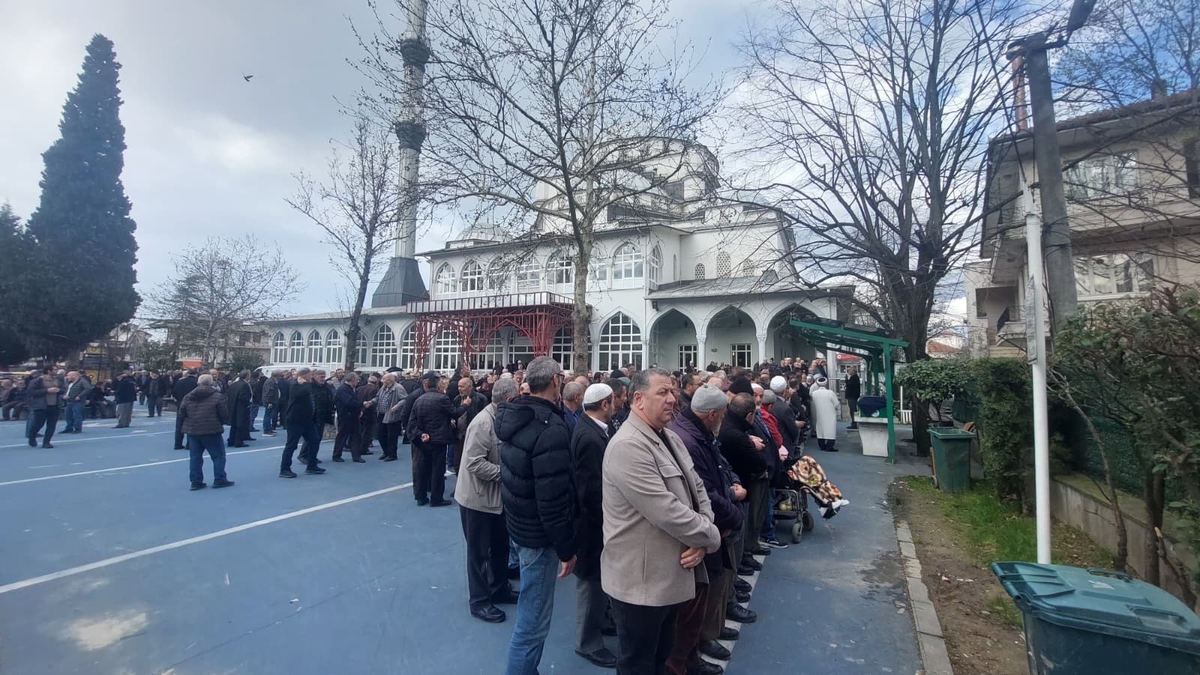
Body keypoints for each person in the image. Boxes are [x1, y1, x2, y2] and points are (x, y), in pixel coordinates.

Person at [602, 368, 721, 675]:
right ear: (638, 399)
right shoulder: (627, 446)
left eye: (673, 391)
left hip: (668, 577)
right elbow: (666, 510)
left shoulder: (668, 436)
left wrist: (702, 536)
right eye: (663, 393)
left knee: (661, 658)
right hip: (640, 584)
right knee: (638, 663)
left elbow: (697, 489)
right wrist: (710, 536)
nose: (673, 399)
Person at [496, 356, 578, 675]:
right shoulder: (549, 427)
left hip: (520, 525)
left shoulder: (516, 414)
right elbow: (552, 498)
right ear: (556, 381)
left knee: (531, 617)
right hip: (538, 537)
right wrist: (567, 548)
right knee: (532, 624)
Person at [667, 384, 744, 675]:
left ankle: (692, 655)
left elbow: (717, 471)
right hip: (701, 529)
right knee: (692, 605)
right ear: (711, 414)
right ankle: (685, 659)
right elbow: (701, 492)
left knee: (702, 596)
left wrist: (731, 487)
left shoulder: (696, 433)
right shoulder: (688, 438)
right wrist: (733, 514)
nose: (669, 401)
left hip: (710, 524)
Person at [456, 377, 521, 623]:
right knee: (478, 552)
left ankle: (499, 587)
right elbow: (473, 462)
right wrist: (504, 474)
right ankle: (479, 601)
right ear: (506, 400)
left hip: (495, 499)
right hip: (477, 499)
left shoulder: (499, 419)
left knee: (500, 546)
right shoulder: (483, 423)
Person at [570, 382, 619, 669]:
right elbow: (590, 490)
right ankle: (587, 642)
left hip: (596, 521)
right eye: (612, 401)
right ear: (604, 404)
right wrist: (607, 521)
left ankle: (599, 623)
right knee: (590, 583)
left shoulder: (593, 430)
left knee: (598, 580)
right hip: (591, 525)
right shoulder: (589, 437)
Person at [408, 371, 465, 505]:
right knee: (438, 470)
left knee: (422, 469)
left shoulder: (419, 399)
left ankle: (420, 497)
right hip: (438, 440)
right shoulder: (442, 398)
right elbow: (455, 413)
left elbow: (412, 422)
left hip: (423, 440)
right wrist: (466, 405)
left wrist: (420, 433)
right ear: (439, 386)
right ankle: (436, 498)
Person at [178, 374, 234, 491]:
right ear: (212, 383)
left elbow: (181, 413)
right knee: (218, 456)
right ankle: (219, 478)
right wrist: (221, 422)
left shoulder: (188, 396)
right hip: (211, 429)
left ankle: (196, 481)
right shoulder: (217, 396)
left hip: (193, 430)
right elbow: (224, 413)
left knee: (195, 457)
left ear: (198, 383)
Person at [279, 368, 325, 478]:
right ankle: (284, 469)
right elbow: (305, 391)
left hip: (306, 419)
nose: (311, 377)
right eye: (310, 375)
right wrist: (305, 384)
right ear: (304, 375)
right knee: (291, 445)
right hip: (295, 419)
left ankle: (312, 465)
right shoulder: (294, 385)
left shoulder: (305, 384)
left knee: (314, 440)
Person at [452, 376, 489, 473]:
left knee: (471, 463)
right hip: (458, 436)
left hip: (473, 436)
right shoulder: (456, 399)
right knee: (457, 463)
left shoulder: (481, 399)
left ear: (470, 387)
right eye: (458, 386)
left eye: (462, 386)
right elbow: (453, 413)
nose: (459, 389)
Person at [300, 369, 334, 464]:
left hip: (322, 415)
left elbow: (329, 397)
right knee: (311, 437)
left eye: (324, 376)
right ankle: (303, 455)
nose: (323, 379)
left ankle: (312, 456)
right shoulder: (310, 386)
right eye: (321, 376)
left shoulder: (325, 386)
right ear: (315, 376)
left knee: (317, 437)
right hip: (313, 416)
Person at [332, 372, 365, 463]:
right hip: (345, 416)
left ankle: (356, 456)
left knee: (355, 436)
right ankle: (337, 455)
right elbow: (349, 402)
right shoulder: (343, 389)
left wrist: (359, 410)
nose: (358, 382)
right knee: (342, 436)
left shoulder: (349, 389)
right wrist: (361, 404)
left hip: (352, 415)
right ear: (352, 380)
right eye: (357, 380)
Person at [375, 373, 407, 462]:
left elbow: (405, 399)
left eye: (383, 379)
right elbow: (377, 398)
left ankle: (392, 454)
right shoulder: (383, 387)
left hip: (392, 415)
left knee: (391, 436)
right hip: (381, 413)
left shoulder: (398, 387)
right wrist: (370, 402)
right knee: (380, 434)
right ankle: (386, 452)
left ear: (389, 380)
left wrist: (397, 406)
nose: (382, 380)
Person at [26, 370, 62, 448]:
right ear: (49, 371)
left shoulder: (58, 380)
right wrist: (47, 391)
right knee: (38, 423)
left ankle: (47, 442)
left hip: (55, 405)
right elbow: (31, 392)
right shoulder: (37, 380)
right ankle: (32, 436)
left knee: (51, 425)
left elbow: (64, 390)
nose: (56, 371)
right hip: (41, 405)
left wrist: (59, 391)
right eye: (54, 369)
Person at [810, 377, 840, 452]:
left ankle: (822, 445)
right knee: (830, 429)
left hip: (819, 413)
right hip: (830, 414)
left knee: (820, 429)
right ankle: (830, 446)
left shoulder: (814, 393)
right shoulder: (830, 393)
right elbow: (836, 404)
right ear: (826, 383)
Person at [225, 370, 252, 448]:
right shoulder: (244, 385)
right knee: (240, 424)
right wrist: (248, 403)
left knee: (234, 424)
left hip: (232, 406)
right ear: (246, 376)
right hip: (241, 407)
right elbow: (243, 397)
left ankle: (231, 440)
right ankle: (238, 441)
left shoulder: (234, 384)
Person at [173, 369, 199, 448]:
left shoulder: (180, 382)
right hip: (193, 406)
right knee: (191, 425)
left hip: (181, 404)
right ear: (196, 374)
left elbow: (174, 393)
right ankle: (189, 444)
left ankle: (178, 444)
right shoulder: (197, 383)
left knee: (179, 425)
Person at [262, 370, 280, 436]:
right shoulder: (270, 382)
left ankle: (268, 429)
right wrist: (269, 401)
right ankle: (266, 430)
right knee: (268, 416)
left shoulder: (272, 381)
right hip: (270, 401)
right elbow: (269, 392)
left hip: (272, 401)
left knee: (269, 415)